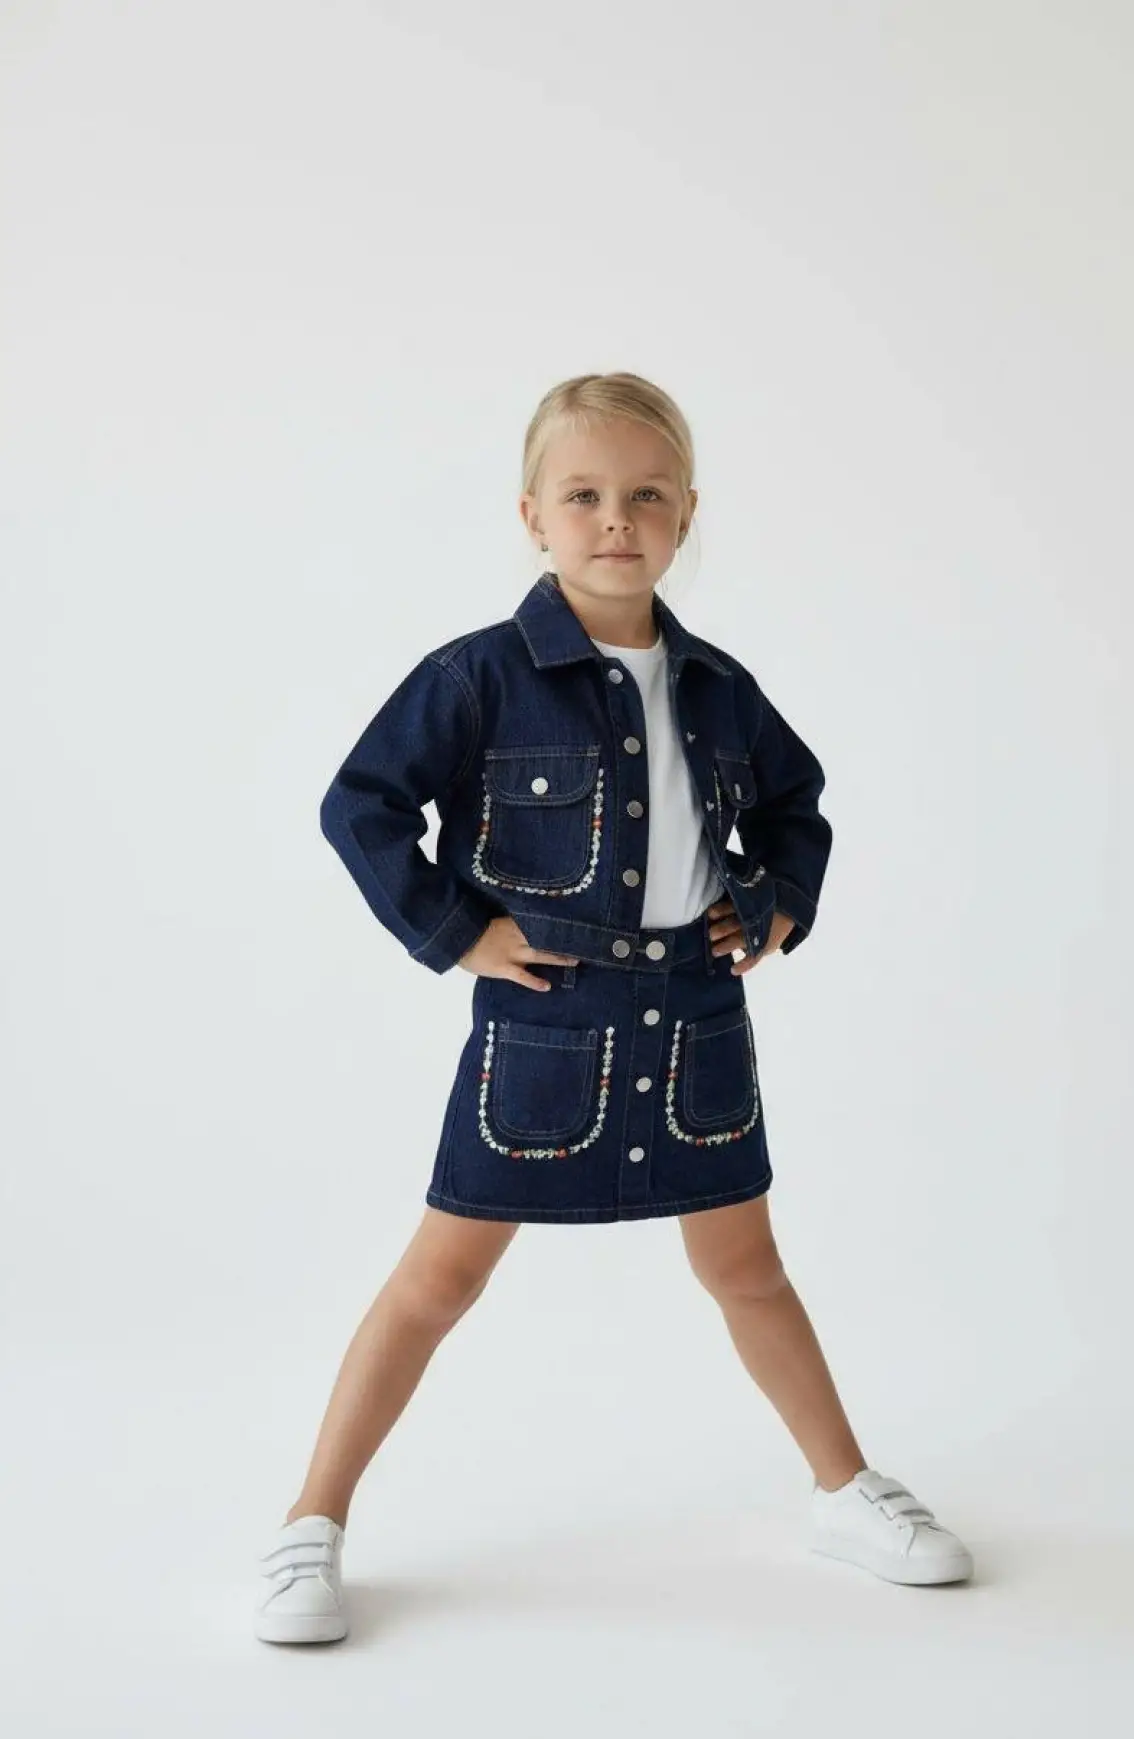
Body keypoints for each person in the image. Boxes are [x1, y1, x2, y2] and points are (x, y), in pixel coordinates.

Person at [253, 371, 974, 1644]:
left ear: (686, 513)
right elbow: (359, 806)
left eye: (646, 496)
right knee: (438, 1279)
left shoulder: (720, 687)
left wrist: (775, 905)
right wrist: (458, 931)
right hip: (548, 1022)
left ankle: (844, 1490)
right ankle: (312, 1522)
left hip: (696, 1017)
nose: (616, 521)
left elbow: (796, 806)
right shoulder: (475, 678)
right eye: (583, 495)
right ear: (531, 514)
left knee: (747, 1268)